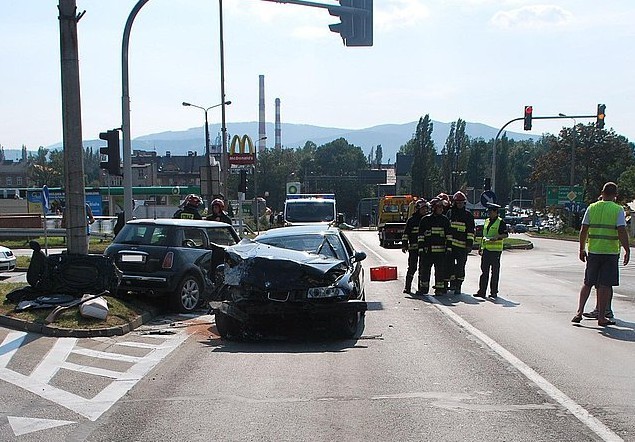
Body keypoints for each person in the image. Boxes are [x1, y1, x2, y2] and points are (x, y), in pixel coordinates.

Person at [572, 182, 629, 326]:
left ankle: (579, 312)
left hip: (594, 251)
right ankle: (602, 317)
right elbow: (621, 231)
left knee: (588, 282)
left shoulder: (592, 207)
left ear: (602, 193)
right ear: (615, 195)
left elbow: (583, 230)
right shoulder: (618, 210)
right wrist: (627, 250)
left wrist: (581, 249)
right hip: (610, 253)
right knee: (605, 285)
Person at [416, 197, 451, 296]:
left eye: (442, 207)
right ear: (434, 208)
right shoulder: (425, 220)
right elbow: (421, 236)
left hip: (440, 252)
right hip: (427, 252)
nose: (441, 209)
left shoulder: (445, 220)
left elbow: (449, 236)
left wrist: (448, 248)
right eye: (439, 207)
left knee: (440, 272)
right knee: (425, 271)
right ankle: (423, 288)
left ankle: (439, 289)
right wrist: (421, 248)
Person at [474, 203, 508, 299]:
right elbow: (484, 236)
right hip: (486, 250)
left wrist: (497, 237)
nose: (489, 213)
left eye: (490, 211)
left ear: (495, 212)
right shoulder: (487, 221)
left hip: (495, 251)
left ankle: (493, 292)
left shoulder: (500, 222)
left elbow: (505, 235)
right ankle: (482, 291)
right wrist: (480, 248)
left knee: (494, 272)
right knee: (484, 271)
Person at [446, 191, 475, 294]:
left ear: (464, 203)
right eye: (457, 203)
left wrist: (469, 244)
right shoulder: (450, 213)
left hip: (462, 247)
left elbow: (471, 231)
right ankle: (452, 283)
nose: (459, 204)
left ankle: (458, 286)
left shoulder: (468, 215)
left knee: (460, 267)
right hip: (451, 246)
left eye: (461, 203)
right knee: (450, 266)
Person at [401, 198, 428, 294]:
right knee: (412, 268)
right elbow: (406, 233)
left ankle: (421, 289)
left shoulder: (427, 220)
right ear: (417, 209)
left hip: (424, 249)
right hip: (413, 248)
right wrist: (404, 245)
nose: (425, 211)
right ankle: (407, 287)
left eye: (426, 209)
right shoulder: (411, 220)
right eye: (423, 209)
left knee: (423, 268)